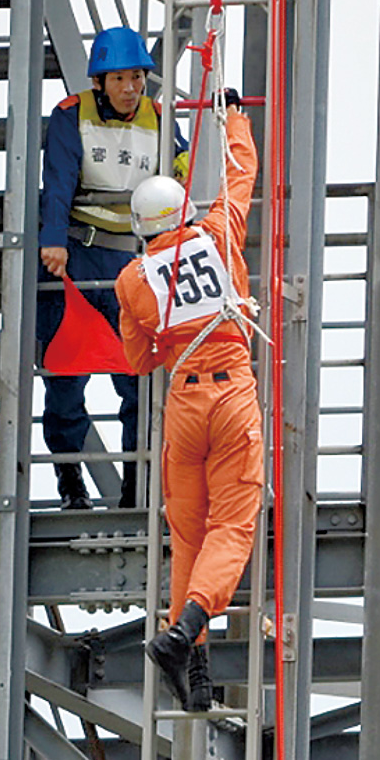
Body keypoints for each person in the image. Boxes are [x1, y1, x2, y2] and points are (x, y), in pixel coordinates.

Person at [113, 92, 263, 712]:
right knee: (232, 526)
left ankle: (193, 669)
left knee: (190, 537)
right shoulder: (220, 233)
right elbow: (241, 174)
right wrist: (234, 118)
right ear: (183, 210)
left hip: (184, 403)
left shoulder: (132, 279)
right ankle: (182, 635)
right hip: (231, 391)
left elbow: (139, 360)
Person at [37, 25, 188, 510]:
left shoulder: (159, 119)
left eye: (137, 79)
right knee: (65, 379)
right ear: (99, 81)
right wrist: (52, 242)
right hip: (76, 262)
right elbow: (57, 183)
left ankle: (134, 488)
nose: (130, 89)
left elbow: (182, 162)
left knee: (138, 381)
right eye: (119, 79)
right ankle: (71, 486)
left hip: (132, 263)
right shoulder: (70, 116)